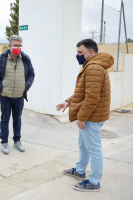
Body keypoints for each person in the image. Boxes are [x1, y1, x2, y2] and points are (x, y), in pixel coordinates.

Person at [56, 39, 114, 192]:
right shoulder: (91, 66)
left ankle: (94, 181)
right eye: (77, 52)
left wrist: (82, 117)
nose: (78, 55)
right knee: (83, 145)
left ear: (91, 52)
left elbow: (91, 98)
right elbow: (82, 92)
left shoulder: (94, 68)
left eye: (80, 52)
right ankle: (80, 170)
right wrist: (68, 102)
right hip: (91, 115)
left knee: (94, 149)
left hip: (92, 117)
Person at [0, 35, 35, 155]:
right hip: (5, 96)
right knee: (4, 120)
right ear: (9, 46)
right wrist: (0, 86)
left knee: (17, 119)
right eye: (15, 45)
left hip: (19, 96)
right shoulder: (1, 58)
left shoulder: (25, 59)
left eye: (19, 45)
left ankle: (17, 141)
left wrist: (26, 85)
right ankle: (4, 142)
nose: (17, 47)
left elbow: (31, 74)